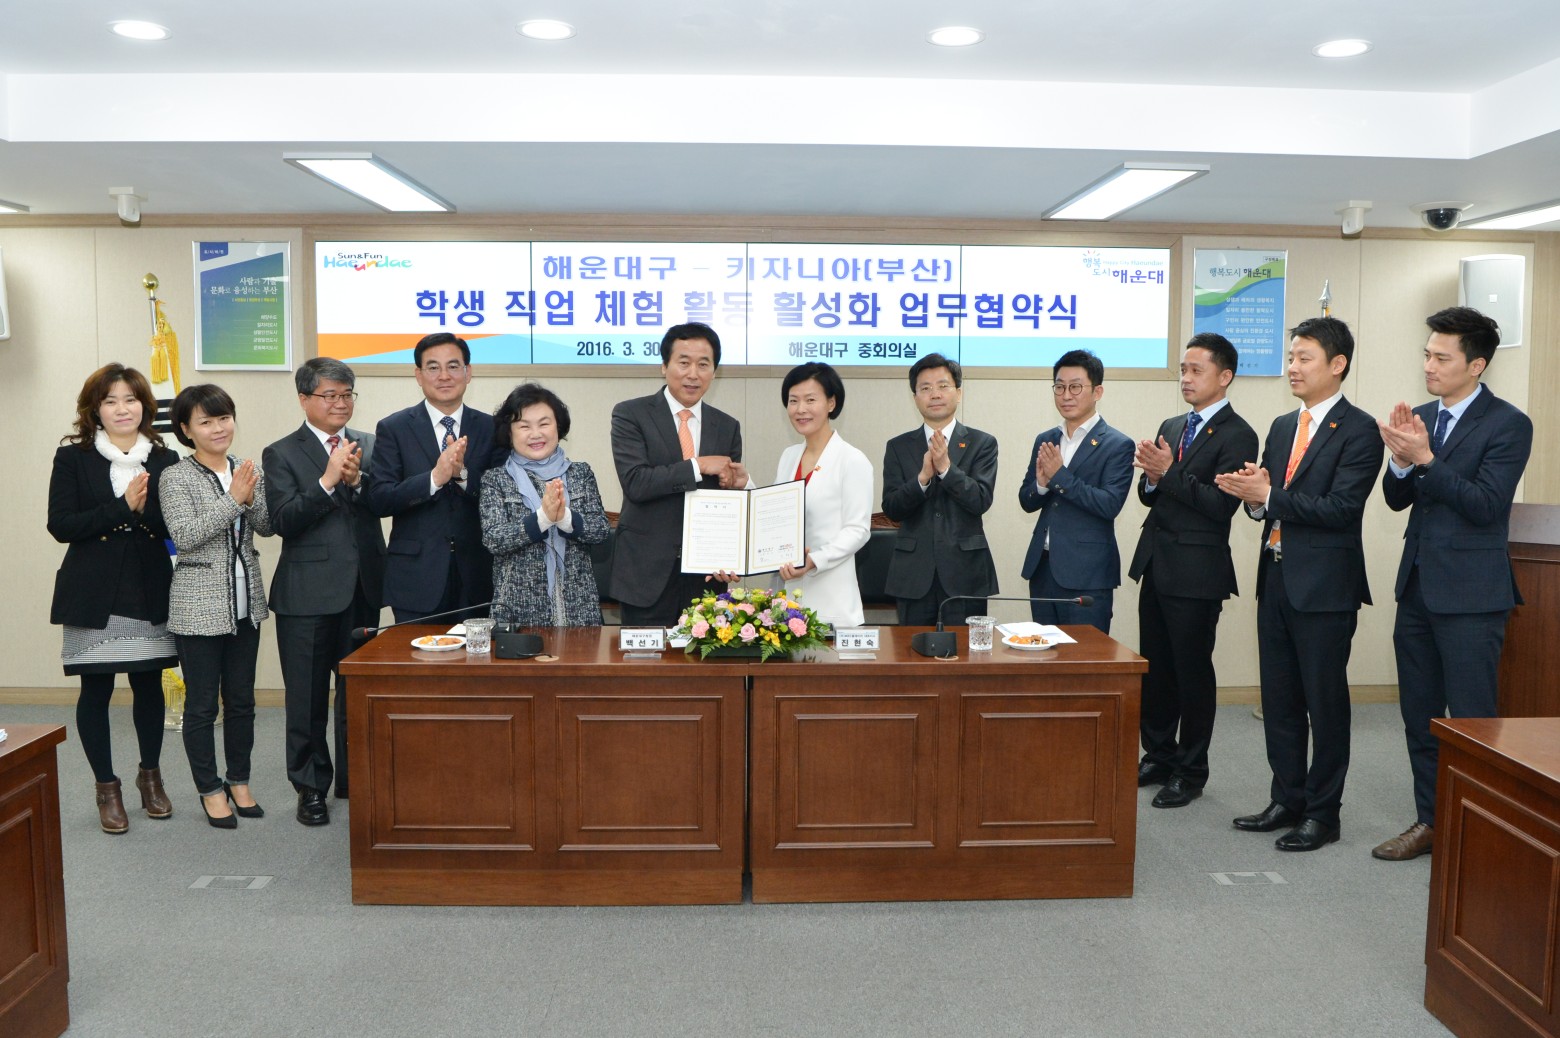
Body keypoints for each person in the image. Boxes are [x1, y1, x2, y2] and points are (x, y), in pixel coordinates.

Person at [1215, 317, 1384, 852]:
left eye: (1304, 357)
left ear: (1338, 364)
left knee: (1324, 703)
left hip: (1326, 588)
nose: (1292, 367)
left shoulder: (1360, 430)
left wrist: (1270, 496)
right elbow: (1270, 502)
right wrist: (1254, 497)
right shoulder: (1284, 424)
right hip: (1276, 576)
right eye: (1290, 357)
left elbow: (1341, 508)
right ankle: (1286, 798)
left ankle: (1323, 813)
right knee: (1280, 698)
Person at [1372, 307, 1533, 861]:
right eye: (1426, 354)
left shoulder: (1508, 423)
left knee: (1471, 721)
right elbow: (1397, 499)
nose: (1429, 365)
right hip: (1417, 587)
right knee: (1420, 717)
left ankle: (1478, 830)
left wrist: (1424, 458)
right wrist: (1400, 462)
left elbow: (1486, 505)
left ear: (1477, 365)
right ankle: (1431, 821)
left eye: (1442, 357)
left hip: (1471, 596)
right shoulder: (1421, 416)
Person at [1128, 334, 1259, 809]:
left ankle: (1191, 770)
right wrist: (1150, 478)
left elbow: (1221, 506)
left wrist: (1167, 474)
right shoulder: (1172, 423)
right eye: (1183, 369)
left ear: (1224, 376)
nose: (1185, 378)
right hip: (1157, 562)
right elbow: (1151, 494)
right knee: (1156, 669)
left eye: (1196, 370)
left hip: (1198, 571)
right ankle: (1159, 754)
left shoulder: (1238, 434)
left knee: (1192, 674)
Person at [47, 363, 179, 833]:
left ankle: (150, 778)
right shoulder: (73, 457)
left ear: (145, 406)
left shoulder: (164, 458)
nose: (122, 409)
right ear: (95, 410)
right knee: (96, 690)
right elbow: (61, 525)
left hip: (148, 586)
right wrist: (122, 508)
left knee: (148, 686)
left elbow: (172, 525)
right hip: (93, 591)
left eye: (130, 399)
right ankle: (107, 788)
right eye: (110, 401)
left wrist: (140, 515)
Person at [263, 357, 385, 825]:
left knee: (357, 693)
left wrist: (359, 481)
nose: (340, 403)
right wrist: (328, 481)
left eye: (347, 394)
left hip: (363, 588)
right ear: (304, 399)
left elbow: (385, 502)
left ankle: (356, 780)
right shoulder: (281, 452)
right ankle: (311, 787)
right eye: (329, 395)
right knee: (307, 697)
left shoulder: (370, 444)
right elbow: (283, 520)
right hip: (306, 594)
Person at [161, 384, 272, 828]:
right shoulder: (176, 477)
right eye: (206, 422)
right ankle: (210, 789)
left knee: (242, 701)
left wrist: (251, 494)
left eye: (223, 418)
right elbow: (185, 536)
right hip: (197, 606)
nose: (218, 428)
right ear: (186, 430)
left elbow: (265, 526)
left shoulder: (247, 468)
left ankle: (239, 782)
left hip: (247, 603)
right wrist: (233, 499)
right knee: (203, 705)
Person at [610, 322, 747, 627]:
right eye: (683, 363)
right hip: (646, 575)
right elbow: (636, 482)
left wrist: (731, 553)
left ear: (715, 371)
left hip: (706, 578)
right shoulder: (631, 414)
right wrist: (698, 466)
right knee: (645, 657)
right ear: (664, 366)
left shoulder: (727, 426)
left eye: (703, 364)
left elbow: (727, 504)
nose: (693, 374)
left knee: (703, 659)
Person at [366, 332, 498, 624]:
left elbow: (501, 495)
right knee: (415, 654)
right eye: (433, 367)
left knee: (477, 653)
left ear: (468, 372)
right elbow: (379, 499)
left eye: (453, 366)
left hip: (477, 575)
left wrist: (462, 476)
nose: (444, 376)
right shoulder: (394, 428)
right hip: (415, 577)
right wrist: (435, 478)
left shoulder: (491, 428)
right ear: (419, 375)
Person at [1017, 349, 1134, 633]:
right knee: (1044, 653)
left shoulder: (1117, 444)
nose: (1066, 395)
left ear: (1097, 392)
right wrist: (1042, 484)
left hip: (1088, 574)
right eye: (1059, 387)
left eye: (1075, 387)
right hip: (1043, 569)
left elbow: (1109, 504)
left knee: (1085, 656)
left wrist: (1059, 476)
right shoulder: (1046, 439)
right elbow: (1026, 500)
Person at [881, 353, 999, 628]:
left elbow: (980, 500)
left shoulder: (982, 443)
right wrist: (922, 479)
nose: (934, 394)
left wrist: (946, 469)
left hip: (965, 572)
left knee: (967, 651)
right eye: (925, 388)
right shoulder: (898, 446)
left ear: (958, 393)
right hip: (912, 573)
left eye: (943, 386)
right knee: (910, 650)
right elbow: (892, 508)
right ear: (915, 397)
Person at [481, 383, 610, 626]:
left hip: (580, 611)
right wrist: (543, 518)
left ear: (558, 426)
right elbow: (494, 539)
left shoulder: (580, 473)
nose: (536, 434)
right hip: (518, 613)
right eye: (524, 426)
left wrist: (564, 518)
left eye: (544, 424)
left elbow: (600, 530)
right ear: (509, 433)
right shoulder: (496, 479)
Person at [771, 362, 873, 627]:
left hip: (832, 598)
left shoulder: (852, 459)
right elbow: (773, 514)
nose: (800, 409)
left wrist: (815, 560)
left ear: (831, 403)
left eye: (810, 399)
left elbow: (858, 530)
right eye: (793, 400)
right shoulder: (789, 456)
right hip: (787, 597)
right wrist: (745, 484)